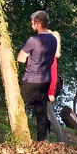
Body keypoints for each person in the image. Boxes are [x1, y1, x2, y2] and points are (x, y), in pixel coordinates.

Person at [17, 11, 57, 141]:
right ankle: (41, 140)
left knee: (17, 105)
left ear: (38, 23)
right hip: (45, 79)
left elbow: (21, 59)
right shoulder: (53, 39)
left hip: (31, 79)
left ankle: (21, 136)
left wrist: (30, 57)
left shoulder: (33, 40)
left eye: (33, 23)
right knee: (41, 111)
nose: (31, 25)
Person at [46, 31, 64, 143]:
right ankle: (45, 139)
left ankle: (60, 140)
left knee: (50, 115)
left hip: (48, 90)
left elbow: (53, 76)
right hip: (44, 88)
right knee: (44, 115)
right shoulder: (48, 55)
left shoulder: (51, 57)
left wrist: (51, 92)